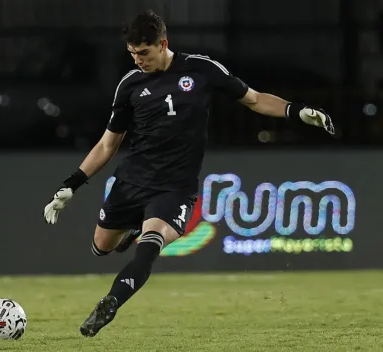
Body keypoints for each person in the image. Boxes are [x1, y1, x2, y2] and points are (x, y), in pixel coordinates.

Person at [43, 10, 335, 337]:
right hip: (131, 181)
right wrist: (72, 184)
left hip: (175, 189)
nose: (138, 60)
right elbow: (107, 145)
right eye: (132, 54)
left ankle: (111, 302)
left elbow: (253, 100)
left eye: (144, 53)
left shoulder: (201, 69)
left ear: (163, 43)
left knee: (150, 247)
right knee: (101, 247)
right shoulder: (130, 85)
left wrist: (296, 110)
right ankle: (133, 228)